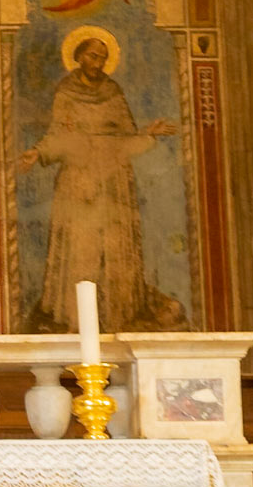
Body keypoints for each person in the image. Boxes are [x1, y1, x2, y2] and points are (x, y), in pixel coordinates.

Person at [19, 32, 183, 331]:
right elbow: (59, 135)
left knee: (116, 245)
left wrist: (149, 133)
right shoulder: (66, 92)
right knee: (82, 246)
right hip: (79, 180)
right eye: (93, 56)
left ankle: (116, 315)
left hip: (114, 181)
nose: (98, 63)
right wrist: (38, 152)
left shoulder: (113, 91)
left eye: (103, 58)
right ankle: (75, 317)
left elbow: (126, 137)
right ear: (79, 56)